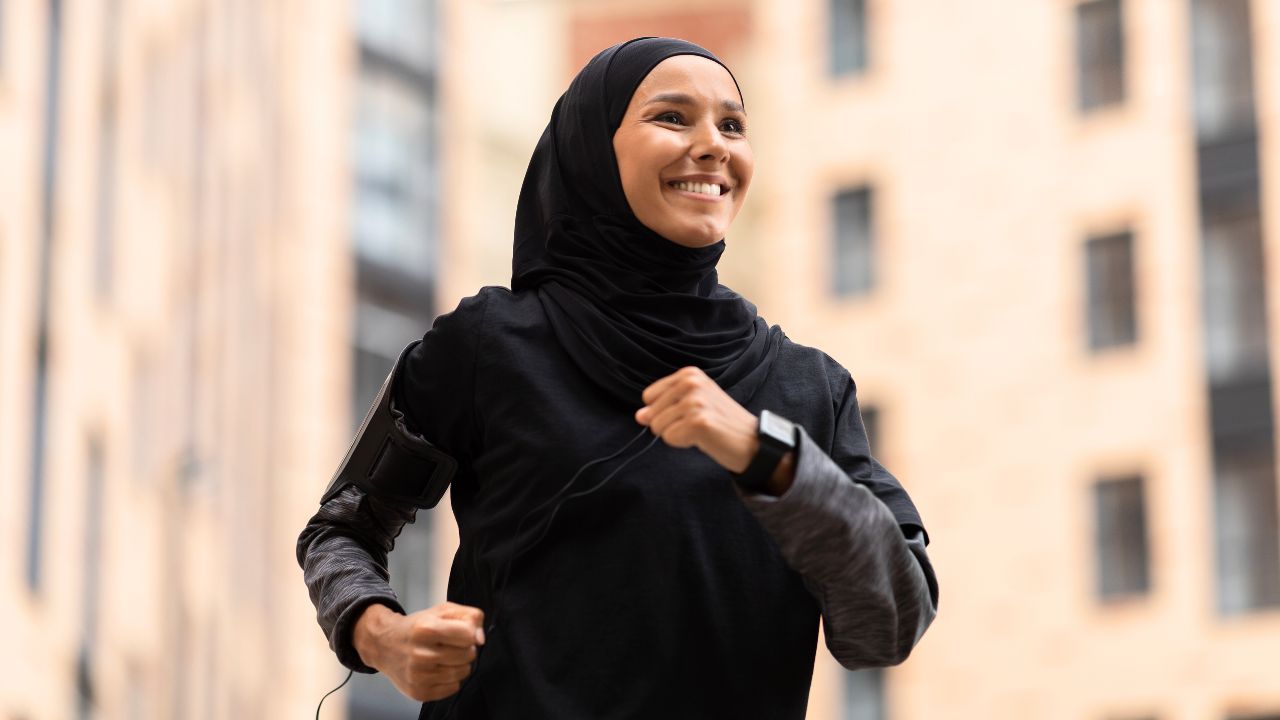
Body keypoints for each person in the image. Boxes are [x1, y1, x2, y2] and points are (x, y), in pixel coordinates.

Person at [297, 37, 938, 719]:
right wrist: (382, 635)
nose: (713, 145)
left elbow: (889, 623)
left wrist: (765, 456)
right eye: (672, 117)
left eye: (732, 124)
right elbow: (341, 528)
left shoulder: (809, 392)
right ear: (594, 147)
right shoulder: (490, 345)